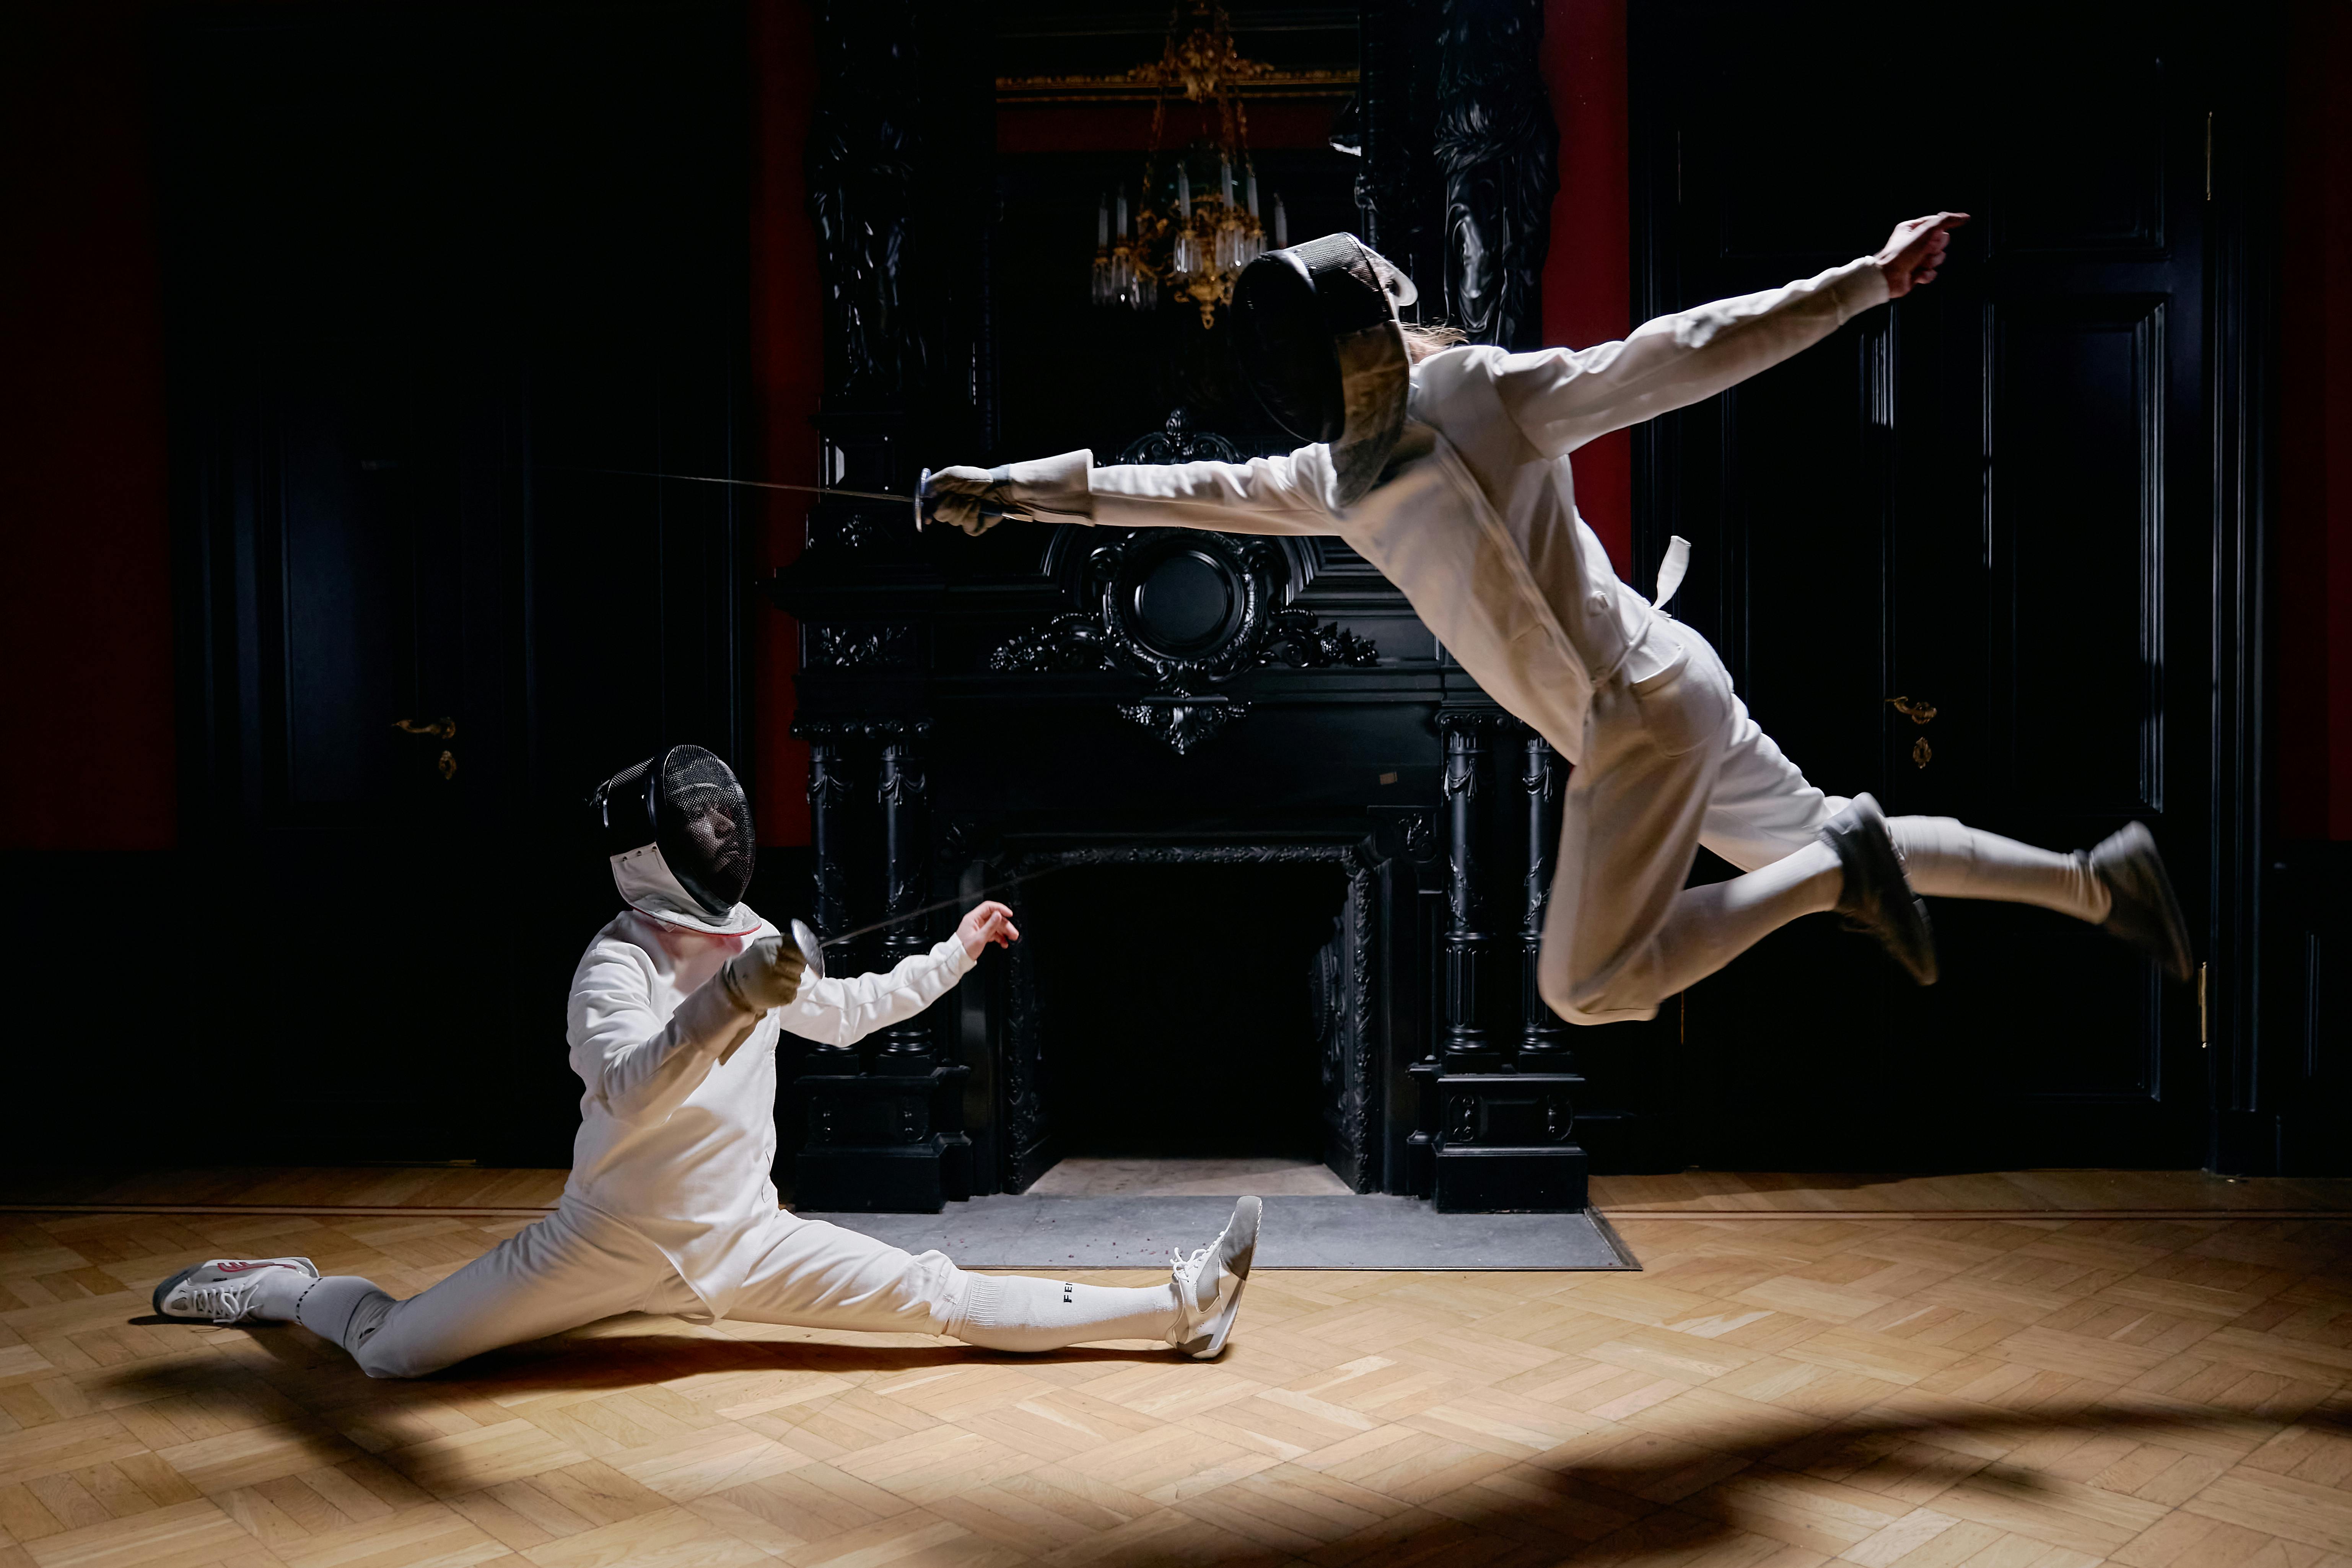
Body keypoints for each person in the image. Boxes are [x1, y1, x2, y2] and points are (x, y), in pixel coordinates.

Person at [923, 217, 2192, 1023]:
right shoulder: (1325, 478)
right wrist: (1012, 491)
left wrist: (1861, 284)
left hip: (1636, 716)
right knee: (1809, 846)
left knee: (1589, 987)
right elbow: (1178, 487)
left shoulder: (1479, 392)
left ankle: (1834, 875)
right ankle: (2095, 881)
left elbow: (1679, 349)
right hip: (1667, 685)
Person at [154, 746, 1259, 1374]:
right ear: (651, 852)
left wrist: (954, 952)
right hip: (602, 1239)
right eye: (702, 823)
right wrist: (733, 998)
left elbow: (847, 1011)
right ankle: (286, 1288)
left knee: (937, 1293)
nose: (727, 833)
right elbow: (631, 1089)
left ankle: (1177, 1306)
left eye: (728, 817)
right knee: (392, 1352)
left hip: (745, 1236)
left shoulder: (753, 946)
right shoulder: (614, 964)